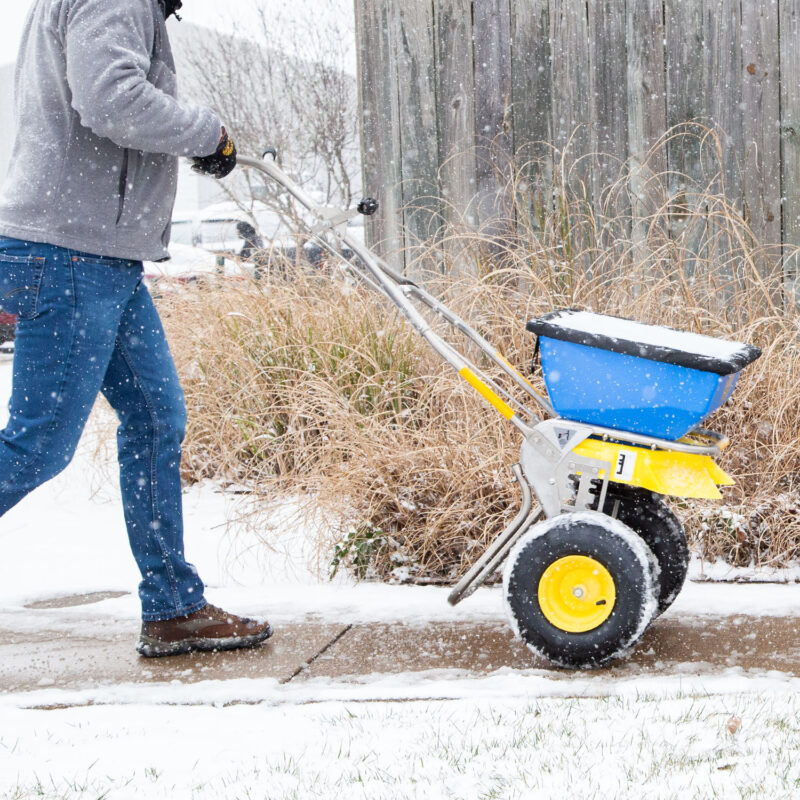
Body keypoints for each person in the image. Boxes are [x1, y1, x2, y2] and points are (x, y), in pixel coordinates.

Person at [0, 0, 272, 657]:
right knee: (39, 445)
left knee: (155, 419)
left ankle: (174, 608)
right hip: (69, 252)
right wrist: (205, 133)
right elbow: (110, 99)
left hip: (100, 255)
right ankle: (174, 605)